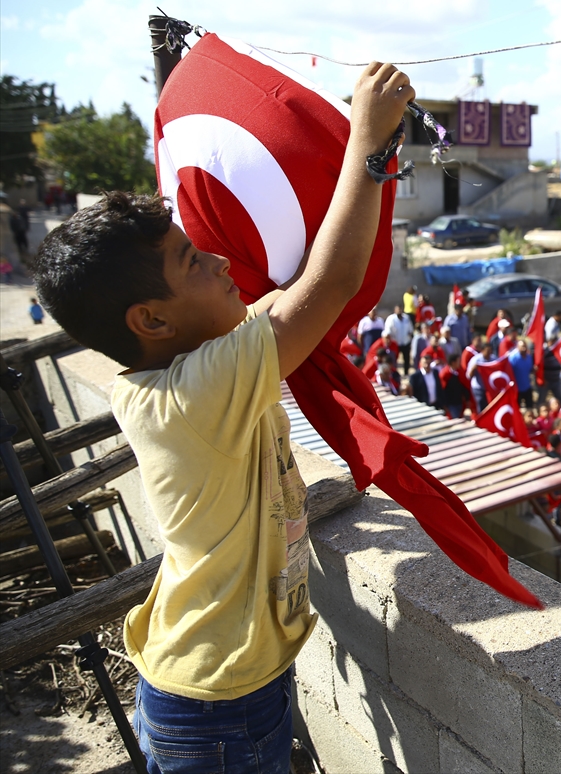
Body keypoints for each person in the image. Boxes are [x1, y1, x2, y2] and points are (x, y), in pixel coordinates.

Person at [29, 61, 413, 772]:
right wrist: (369, 143)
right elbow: (324, 287)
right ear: (150, 319)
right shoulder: (197, 391)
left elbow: (284, 298)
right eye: (190, 261)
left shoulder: (180, 371)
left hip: (215, 689)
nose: (217, 260)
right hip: (214, 707)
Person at [384, 305, 414, 375]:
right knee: (395, 359)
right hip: (395, 343)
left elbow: (410, 329)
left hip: (405, 342)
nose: (399, 311)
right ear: (395, 311)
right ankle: (394, 374)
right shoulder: (391, 319)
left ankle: (406, 373)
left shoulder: (406, 318)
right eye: (398, 310)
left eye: (400, 309)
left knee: (407, 359)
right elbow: (387, 331)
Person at [506, 339, 535, 409]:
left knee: (530, 407)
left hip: (527, 386)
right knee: (517, 408)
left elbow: (530, 370)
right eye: (522, 347)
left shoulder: (529, 357)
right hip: (517, 389)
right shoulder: (513, 358)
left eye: (525, 346)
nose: (524, 348)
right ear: (517, 347)